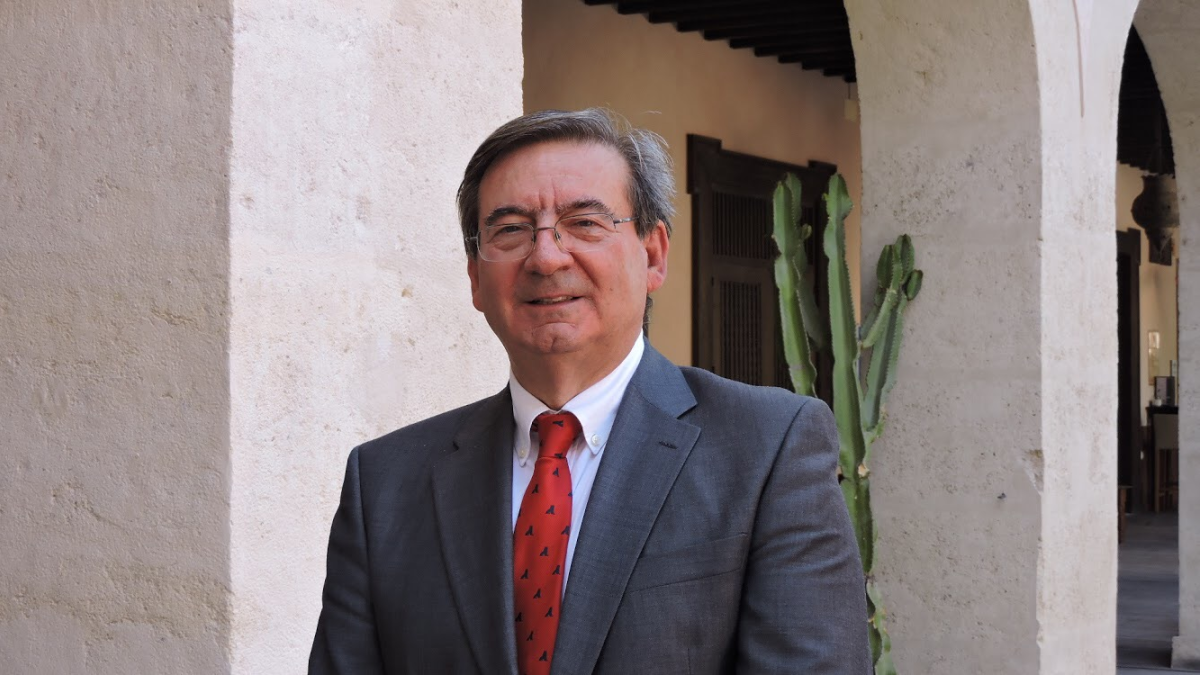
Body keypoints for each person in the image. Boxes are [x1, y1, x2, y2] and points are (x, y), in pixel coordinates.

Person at [309, 108, 869, 674]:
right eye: (510, 230)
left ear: (653, 254)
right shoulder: (384, 484)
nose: (547, 257)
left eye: (584, 223)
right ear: (476, 277)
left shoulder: (766, 449)